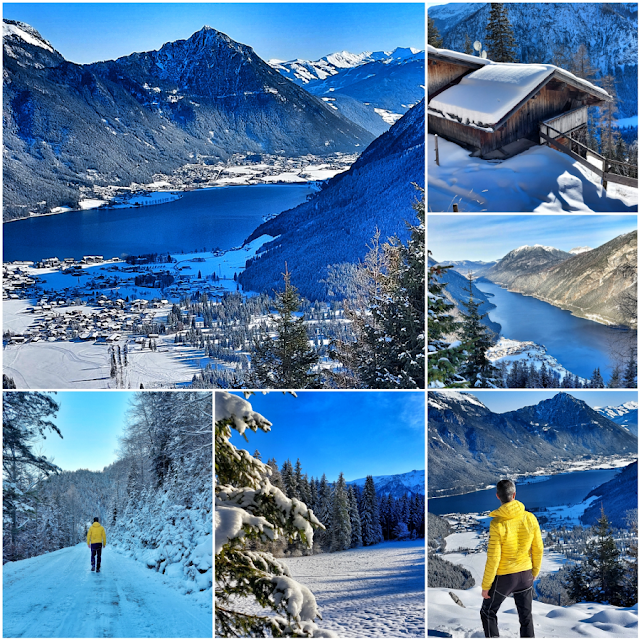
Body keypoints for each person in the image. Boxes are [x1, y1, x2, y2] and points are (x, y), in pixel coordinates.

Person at [480, 479, 543, 638]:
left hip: (505, 577)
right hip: (526, 574)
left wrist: (486, 585)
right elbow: (538, 548)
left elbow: (494, 557)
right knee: (526, 617)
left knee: (487, 612)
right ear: (514, 494)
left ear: (497, 496)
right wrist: (534, 571)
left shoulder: (497, 523)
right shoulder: (530, 518)